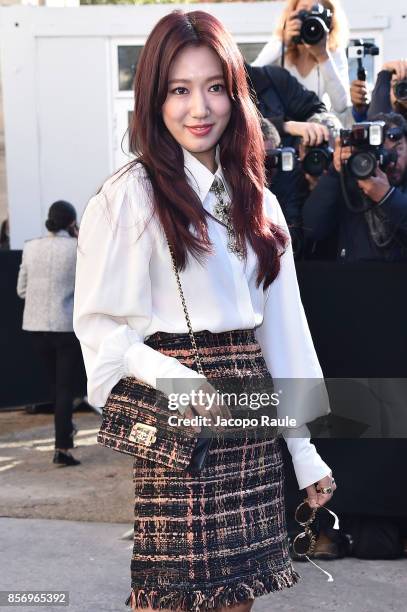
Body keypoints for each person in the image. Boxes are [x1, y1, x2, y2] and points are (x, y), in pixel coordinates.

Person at [73, 10, 336, 612]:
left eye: (215, 87)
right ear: (154, 98)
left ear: (236, 94)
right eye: (180, 90)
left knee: (238, 599)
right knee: (170, 597)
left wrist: (302, 451)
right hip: (181, 415)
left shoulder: (260, 199)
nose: (200, 108)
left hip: (250, 421)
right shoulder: (129, 195)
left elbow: (283, 333)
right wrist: (178, 380)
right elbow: (99, 328)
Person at [16, 200, 81, 466]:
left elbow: (22, 290)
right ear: (71, 222)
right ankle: (62, 447)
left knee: (56, 387)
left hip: (35, 326)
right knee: (66, 388)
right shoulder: (78, 249)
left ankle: (66, 431)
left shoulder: (31, 247)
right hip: (65, 327)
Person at [302, 112, 407, 261]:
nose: (390, 160)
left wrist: (387, 196)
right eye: (381, 152)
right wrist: (335, 171)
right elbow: (313, 229)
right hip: (355, 278)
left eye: (397, 150)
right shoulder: (348, 180)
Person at [251, 0, 351, 116]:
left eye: (315, 12)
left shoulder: (333, 52)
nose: (309, 19)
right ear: (291, 14)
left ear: (329, 21)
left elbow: (341, 105)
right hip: (284, 127)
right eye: (304, 11)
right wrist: (284, 43)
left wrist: (323, 56)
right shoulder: (279, 47)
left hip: (316, 126)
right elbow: (250, 76)